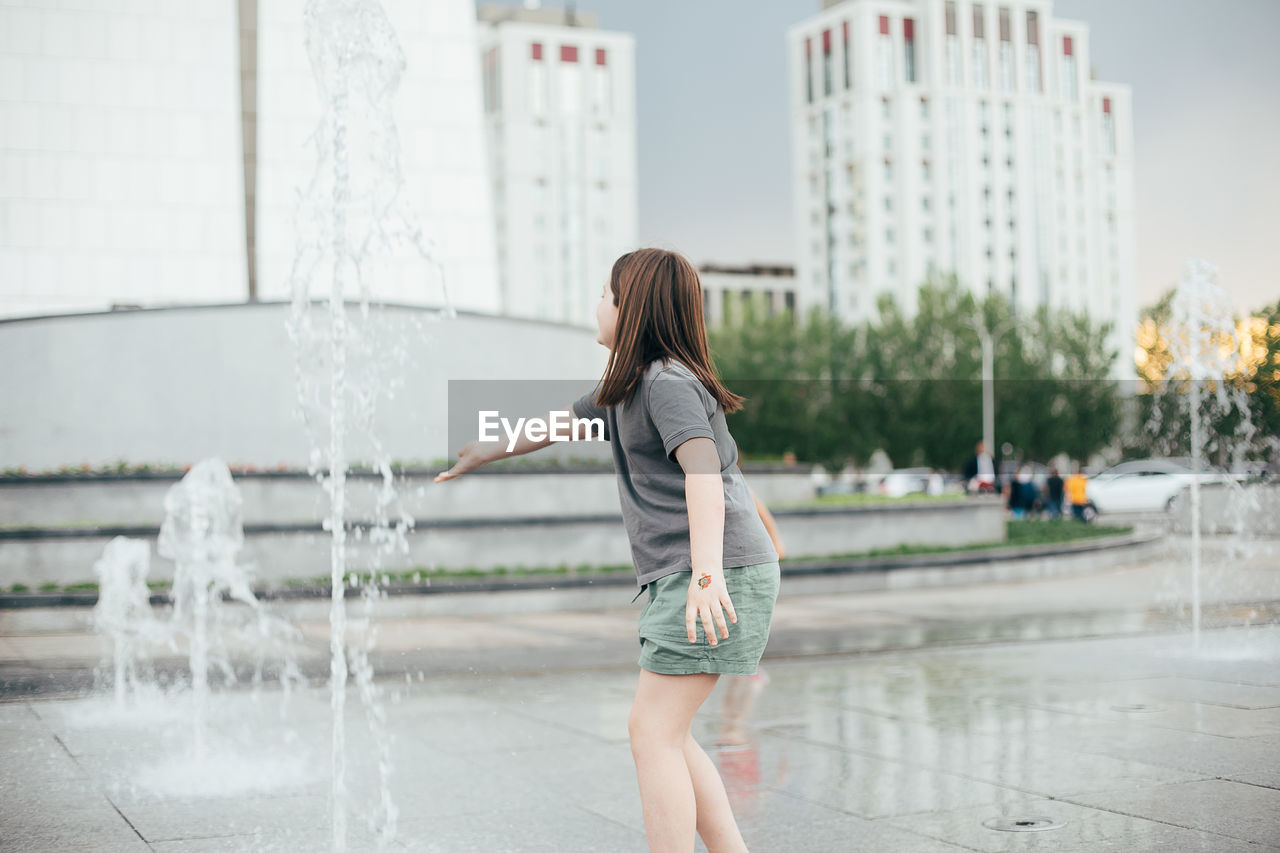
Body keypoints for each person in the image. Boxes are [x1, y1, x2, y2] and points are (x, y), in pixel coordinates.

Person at [435, 248, 778, 853]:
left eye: (607, 295)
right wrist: (484, 449)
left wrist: (705, 576)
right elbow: (557, 424)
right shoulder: (629, 388)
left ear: (634, 310)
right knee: (668, 732)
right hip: (700, 571)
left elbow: (702, 471)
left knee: (652, 731)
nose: (598, 304)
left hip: (714, 571)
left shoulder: (667, 383)